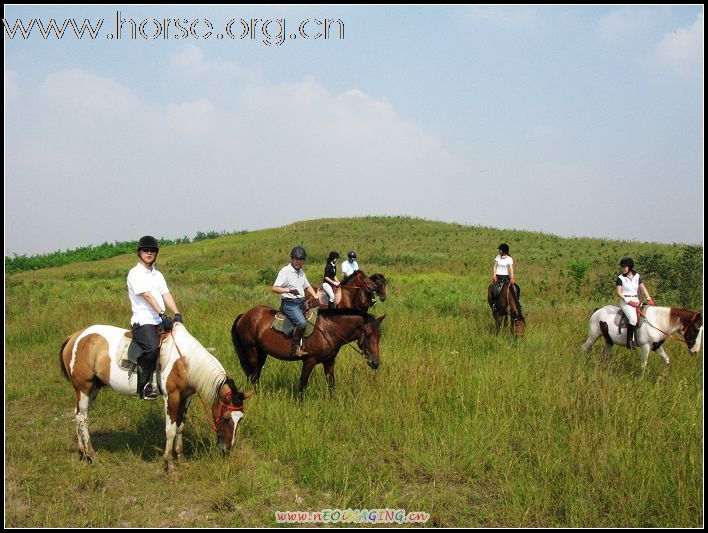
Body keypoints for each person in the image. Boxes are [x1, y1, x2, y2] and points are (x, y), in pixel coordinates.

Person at [127, 236, 183, 400]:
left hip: (160, 320)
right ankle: (143, 387)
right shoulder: (135, 273)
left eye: (152, 250)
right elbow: (147, 296)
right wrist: (162, 314)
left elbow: (166, 295)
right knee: (152, 348)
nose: (149, 253)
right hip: (143, 321)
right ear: (139, 252)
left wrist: (177, 314)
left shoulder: (158, 275)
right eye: (146, 250)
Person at [272, 246, 319, 357]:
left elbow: (307, 286)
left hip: (300, 303)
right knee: (302, 323)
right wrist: (288, 290)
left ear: (303, 260)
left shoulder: (301, 272)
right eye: (296, 259)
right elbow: (274, 288)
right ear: (292, 259)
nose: (298, 262)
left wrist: (316, 297)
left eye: (300, 260)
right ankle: (295, 348)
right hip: (289, 304)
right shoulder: (285, 271)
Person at [615, 257, 654, 349]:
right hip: (625, 301)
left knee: (646, 316)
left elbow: (642, 288)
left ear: (630, 267)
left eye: (624, 267)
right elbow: (618, 293)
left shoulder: (637, 276)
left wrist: (648, 298)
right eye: (622, 267)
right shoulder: (620, 278)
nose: (622, 269)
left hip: (636, 300)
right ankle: (629, 341)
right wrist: (629, 301)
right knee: (633, 319)